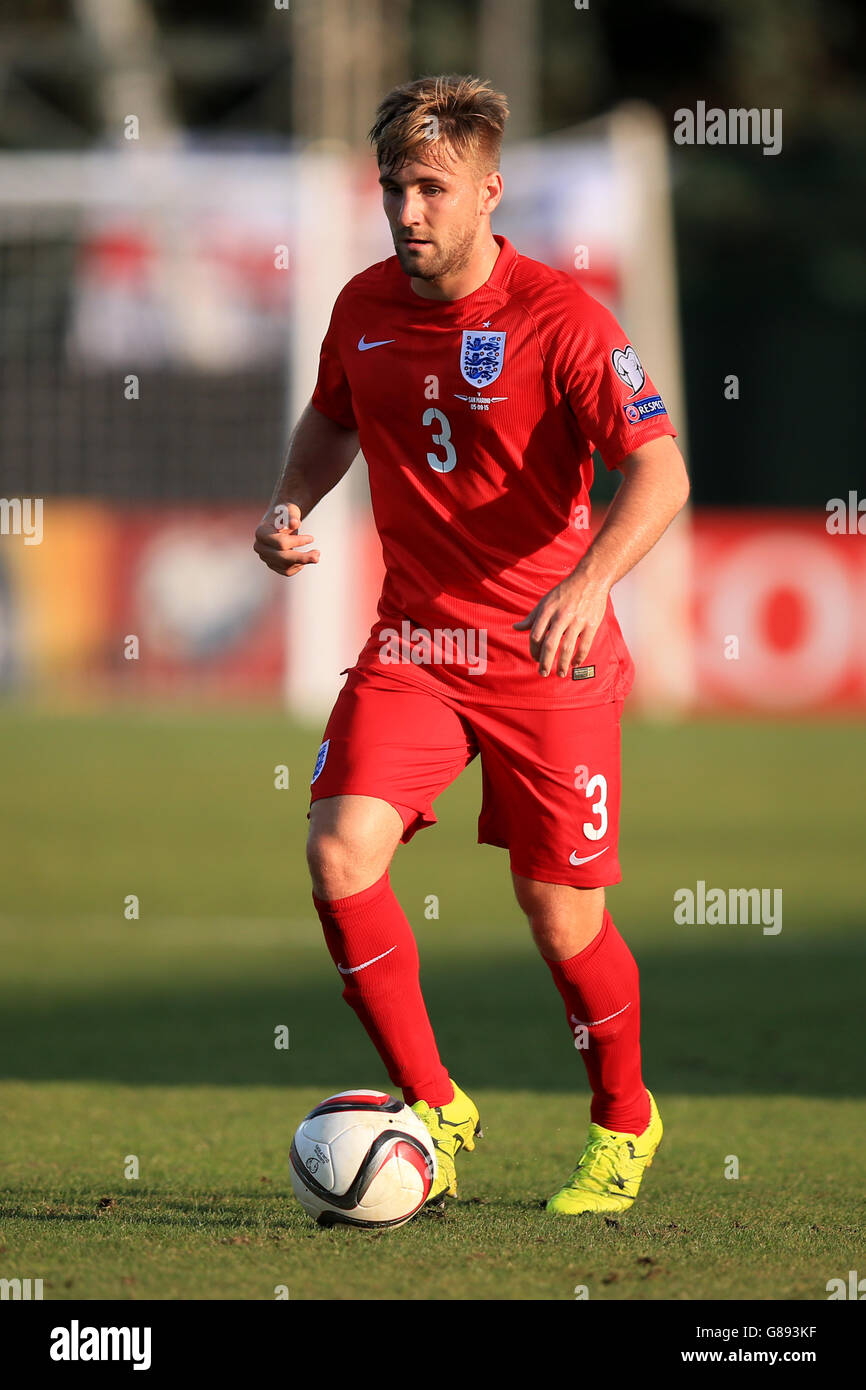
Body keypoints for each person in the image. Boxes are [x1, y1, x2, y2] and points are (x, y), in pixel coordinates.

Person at [254, 74, 690, 1216]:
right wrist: (287, 504)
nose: (407, 210)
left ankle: (622, 1122)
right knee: (339, 852)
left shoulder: (562, 318)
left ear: (488, 191)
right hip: (414, 641)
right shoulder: (360, 309)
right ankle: (435, 1108)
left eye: (431, 189)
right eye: (393, 186)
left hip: (549, 658)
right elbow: (332, 414)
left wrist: (592, 582)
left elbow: (661, 470)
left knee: (560, 919)